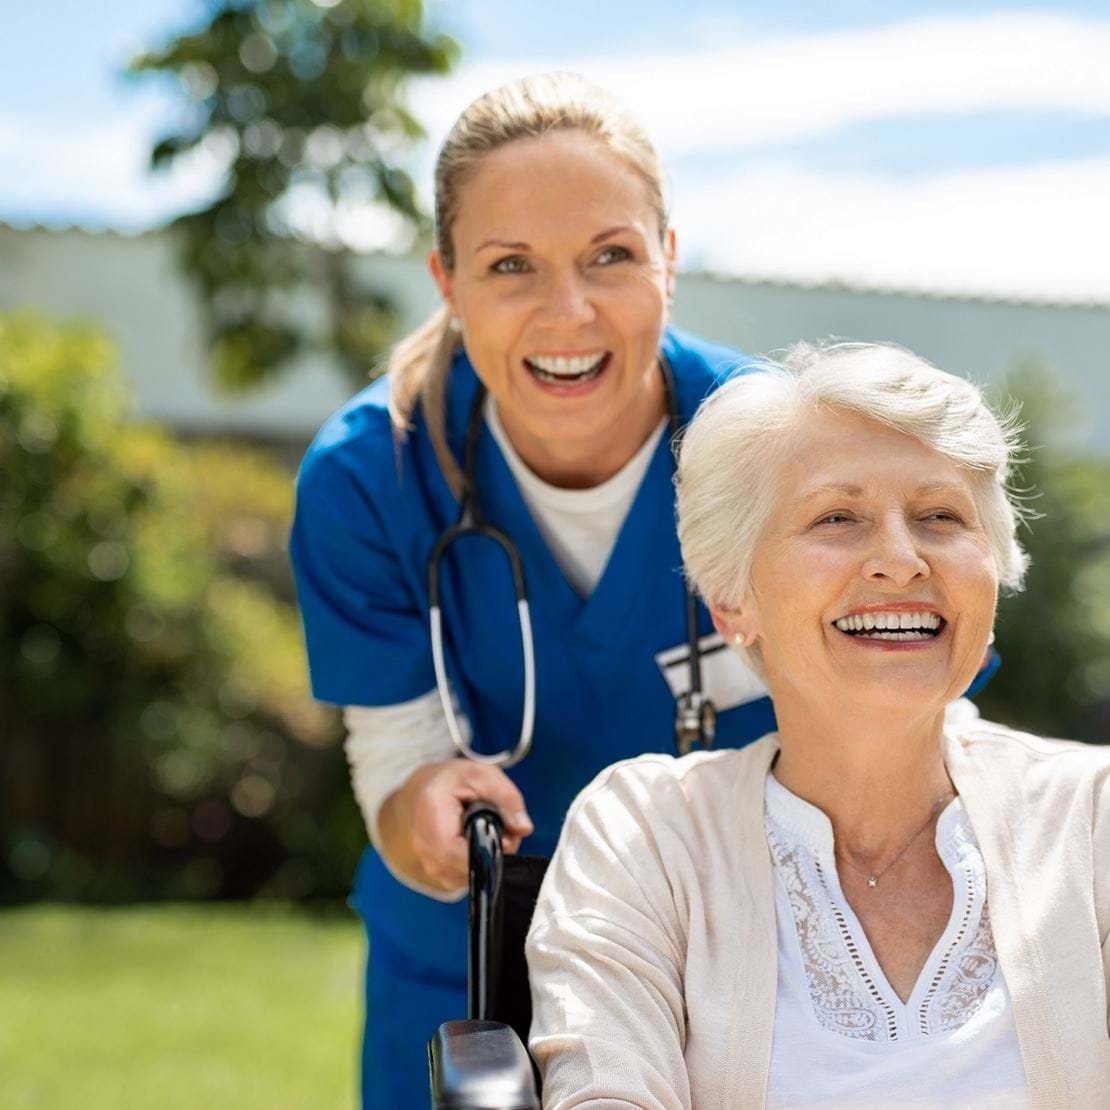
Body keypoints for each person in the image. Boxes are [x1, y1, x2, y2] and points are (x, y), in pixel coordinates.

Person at [289, 76, 995, 1105]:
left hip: (744, 954)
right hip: (473, 965)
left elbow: (924, 708)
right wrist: (422, 816)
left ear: (668, 257)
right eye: (510, 266)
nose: (567, 311)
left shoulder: (787, 451)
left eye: (610, 256)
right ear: (445, 279)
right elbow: (395, 761)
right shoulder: (369, 478)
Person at [526, 342, 1110, 1108]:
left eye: (940, 516)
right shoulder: (644, 836)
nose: (901, 559)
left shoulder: (1092, 817)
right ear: (731, 601)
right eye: (838, 517)